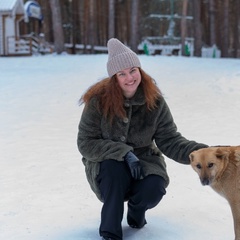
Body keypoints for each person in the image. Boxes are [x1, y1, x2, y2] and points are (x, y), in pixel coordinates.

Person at [77, 38, 208, 240]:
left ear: (140, 70)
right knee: (114, 173)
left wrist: (204, 152)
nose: (129, 78)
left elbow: (170, 139)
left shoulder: (154, 100)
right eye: (122, 74)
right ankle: (110, 232)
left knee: (154, 188)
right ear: (114, 77)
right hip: (107, 162)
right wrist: (124, 153)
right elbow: (86, 142)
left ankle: (136, 212)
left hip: (145, 159)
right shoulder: (98, 101)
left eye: (133, 70)